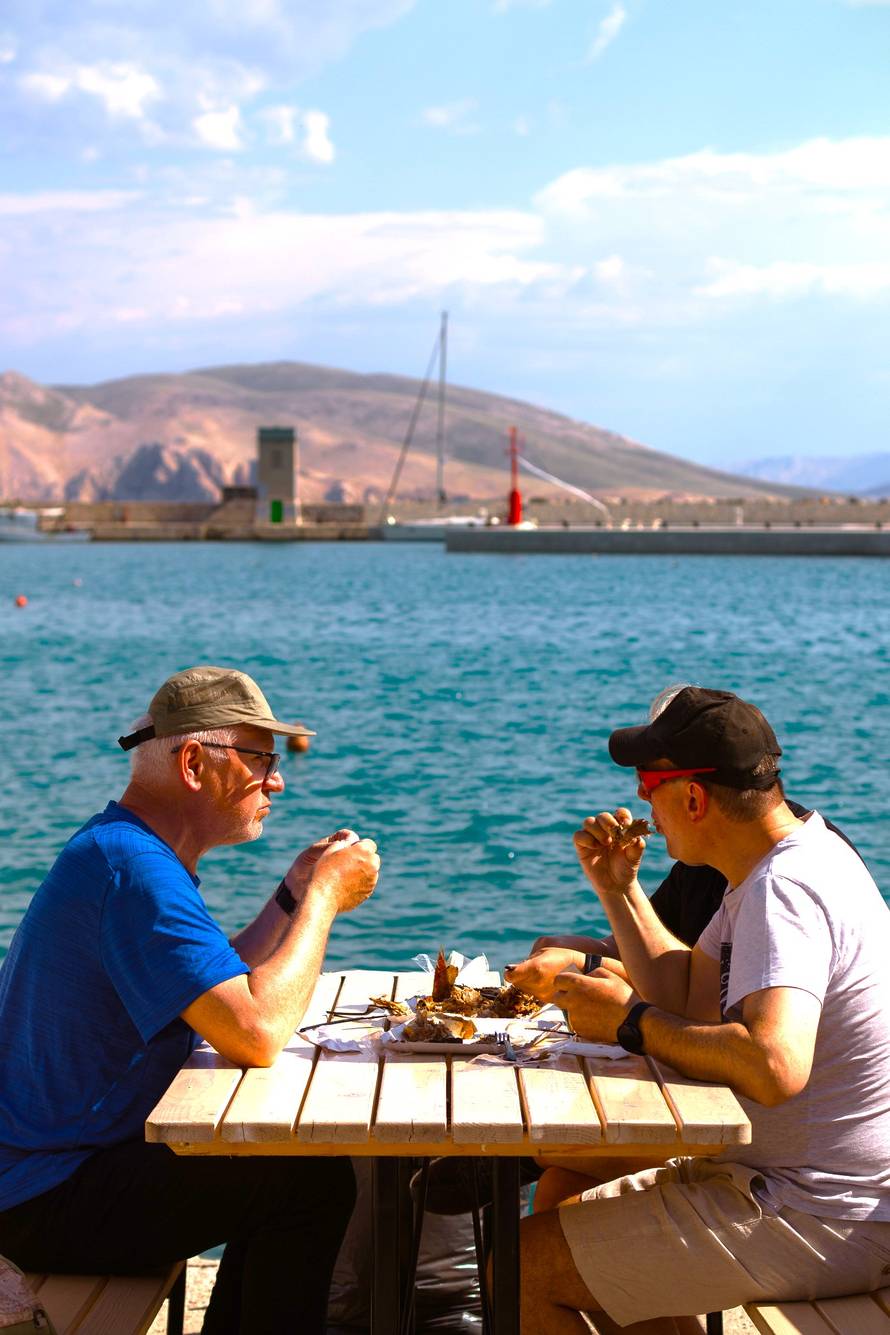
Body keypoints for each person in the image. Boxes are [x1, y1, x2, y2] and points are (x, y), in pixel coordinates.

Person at [0, 665, 380, 1335]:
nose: (278, 780)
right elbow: (255, 1030)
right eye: (260, 759)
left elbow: (211, 982)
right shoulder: (135, 868)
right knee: (305, 1186)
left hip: (51, 1166)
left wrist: (292, 889)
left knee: (287, 1173)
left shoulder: (124, 849)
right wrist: (323, 897)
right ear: (194, 763)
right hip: (42, 1190)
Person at [519, 685, 890, 1335]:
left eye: (647, 781)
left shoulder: (787, 889)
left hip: (824, 1211)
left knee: (518, 1267)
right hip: (806, 1188)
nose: (641, 799)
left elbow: (776, 1064)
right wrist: (620, 890)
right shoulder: (787, 858)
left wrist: (628, 1023)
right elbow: (683, 986)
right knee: (562, 1220)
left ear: (692, 796)